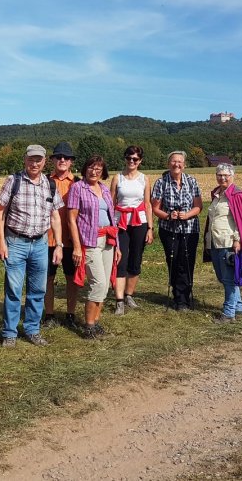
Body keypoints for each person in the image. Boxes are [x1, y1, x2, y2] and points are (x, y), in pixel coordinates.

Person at [0, 144, 65, 347]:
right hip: (15, 242)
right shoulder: (13, 181)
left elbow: (55, 217)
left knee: (38, 290)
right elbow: (0, 214)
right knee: (14, 290)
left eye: (38, 160)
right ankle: (10, 333)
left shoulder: (50, 184)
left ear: (44, 162)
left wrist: (59, 245)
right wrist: (1, 242)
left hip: (41, 244)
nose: (35, 163)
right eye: (31, 159)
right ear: (25, 160)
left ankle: (32, 329)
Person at [67, 155, 120, 339]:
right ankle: (88, 326)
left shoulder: (104, 189)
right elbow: (71, 219)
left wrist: (117, 246)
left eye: (98, 168)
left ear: (103, 171)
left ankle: (96, 322)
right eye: (91, 167)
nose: (94, 171)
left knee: (104, 287)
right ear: (85, 169)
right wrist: (76, 246)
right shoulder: (77, 188)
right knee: (98, 283)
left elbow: (112, 218)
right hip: (90, 241)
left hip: (108, 240)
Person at [203, 163, 242, 323]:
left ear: (232, 176)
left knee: (229, 279)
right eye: (219, 175)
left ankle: (229, 313)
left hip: (228, 242)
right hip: (214, 242)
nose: (222, 178)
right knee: (222, 277)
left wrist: (238, 240)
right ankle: (238, 306)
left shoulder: (238, 195)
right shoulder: (217, 194)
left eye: (226, 175)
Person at [151, 150, 203, 311]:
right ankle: (177, 295)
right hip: (169, 229)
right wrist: (168, 216)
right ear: (168, 164)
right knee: (173, 261)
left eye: (180, 161)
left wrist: (187, 215)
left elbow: (198, 206)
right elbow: (155, 208)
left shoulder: (192, 181)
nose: (176, 164)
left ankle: (184, 297)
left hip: (190, 229)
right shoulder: (161, 182)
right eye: (173, 161)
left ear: (184, 165)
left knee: (187, 262)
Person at [110, 145, 153, 315]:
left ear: (140, 161)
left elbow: (147, 204)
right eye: (129, 158)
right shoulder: (117, 178)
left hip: (139, 222)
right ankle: (119, 300)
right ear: (125, 158)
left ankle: (129, 295)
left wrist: (150, 228)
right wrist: (110, 226)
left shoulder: (144, 179)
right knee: (120, 260)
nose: (131, 161)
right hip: (120, 223)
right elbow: (111, 203)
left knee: (135, 259)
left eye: (135, 159)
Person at [43, 142, 80, 329]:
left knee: (71, 278)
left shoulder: (78, 183)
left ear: (71, 161)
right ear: (52, 160)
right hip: (47, 239)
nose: (62, 160)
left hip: (72, 240)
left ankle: (70, 314)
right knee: (47, 278)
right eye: (58, 157)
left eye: (66, 157)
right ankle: (49, 314)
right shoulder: (44, 181)